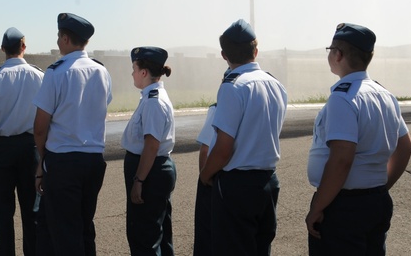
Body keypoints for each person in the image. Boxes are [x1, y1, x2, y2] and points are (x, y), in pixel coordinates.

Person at [305, 23, 411, 255]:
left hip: (344, 207)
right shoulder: (385, 95)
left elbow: (341, 159)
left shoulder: (342, 98)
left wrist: (318, 206)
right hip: (375, 201)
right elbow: (405, 147)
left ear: (338, 55)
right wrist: (380, 188)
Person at [198, 18, 288, 256]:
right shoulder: (276, 85)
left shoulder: (232, 86)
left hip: (237, 186)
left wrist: (206, 174)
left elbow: (224, 147)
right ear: (255, 51)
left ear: (223, 55)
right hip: (268, 181)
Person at [32, 12, 112, 256]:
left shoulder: (56, 72)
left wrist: (42, 160)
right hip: (93, 159)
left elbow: (39, 127)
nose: (57, 42)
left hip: (63, 161)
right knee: (84, 226)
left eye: (59, 36)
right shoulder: (101, 71)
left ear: (66, 39)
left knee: (65, 232)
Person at [0, 27, 44, 256]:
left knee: (2, 214)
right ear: (24, 47)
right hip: (30, 147)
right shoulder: (39, 75)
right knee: (32, 212)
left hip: (1, 148)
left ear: (3, 49)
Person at [122, 46, 176, 256]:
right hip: (153, 169)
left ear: (143, 72)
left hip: (149, 171)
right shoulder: (151, 96)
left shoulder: (154, 101)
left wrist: (139, 181)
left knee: (144, 237)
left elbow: (151, 146)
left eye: (134, 68)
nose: (132, 73)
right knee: (158, 234)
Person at [192, 102, 216, 256]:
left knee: (207, 236)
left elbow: (205, 149)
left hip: (216, 180)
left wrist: (204, 177)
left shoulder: (220, 107)